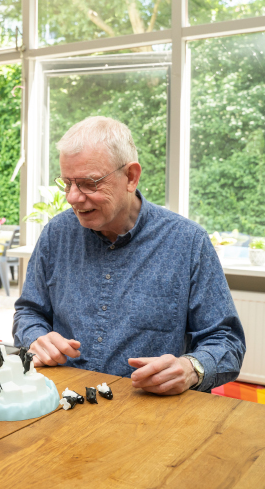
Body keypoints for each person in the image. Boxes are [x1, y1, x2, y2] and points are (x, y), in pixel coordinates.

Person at [13, 117, 245, 395]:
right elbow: (29, 312)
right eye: (67, 183)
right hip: (64, 398)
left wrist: (191, 368)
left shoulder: (188, 242)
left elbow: (227, 341)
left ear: (131, 177)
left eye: (89, 183)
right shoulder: (56, 233)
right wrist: (36, 338)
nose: (73, 197)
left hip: (149, 409)